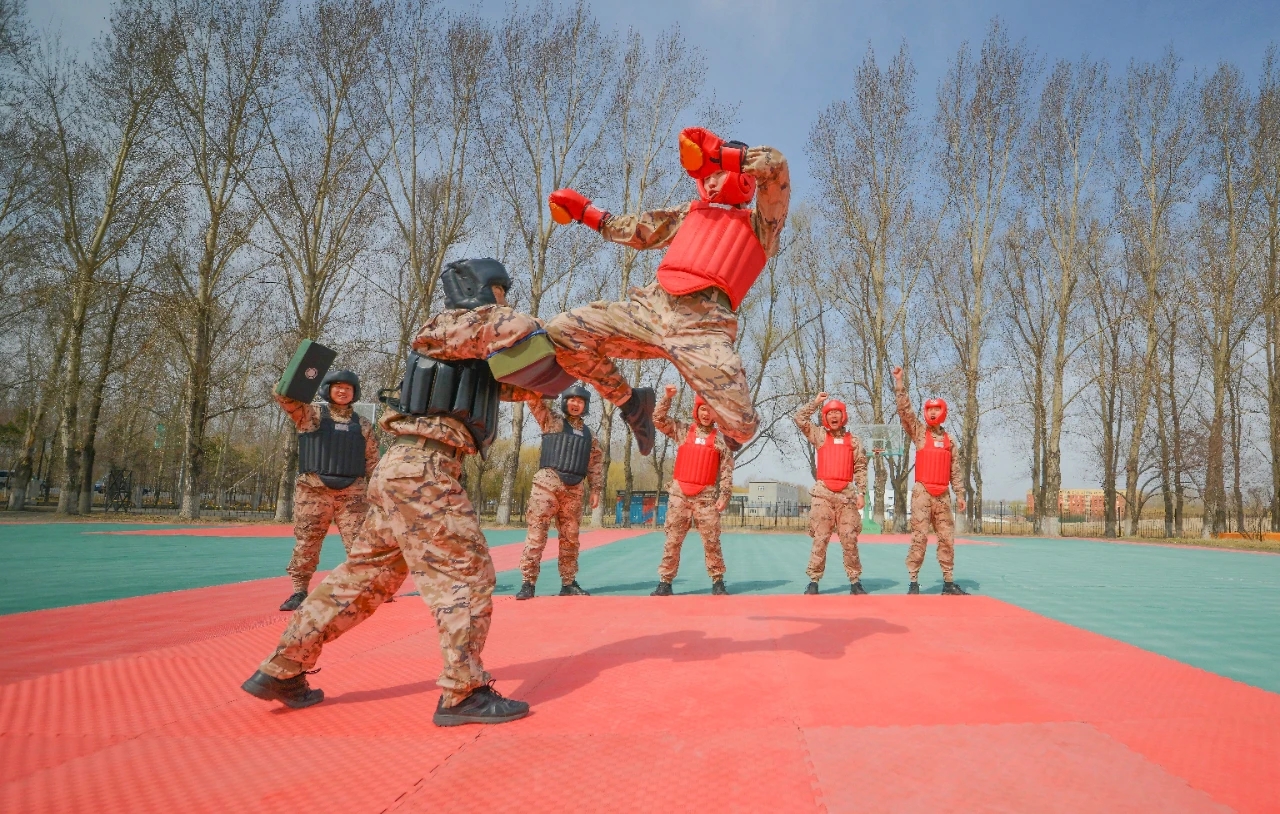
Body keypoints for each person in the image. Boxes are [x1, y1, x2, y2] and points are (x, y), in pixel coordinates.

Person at [242, 258, 552, 726]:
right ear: (485, 290)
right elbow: (519, 328)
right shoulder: (455, 325)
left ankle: (283, 667)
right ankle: (462, 692)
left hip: (407, 468)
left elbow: (514, 379)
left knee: (367, 576)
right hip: (425, 469)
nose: (506, 299)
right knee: (466, 575)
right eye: (501, 290)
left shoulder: (469, 348)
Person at [545, 126, 790, 456]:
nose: (712, 182)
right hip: (651, 309)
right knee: (562, 331)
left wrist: (722, 155)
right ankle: (632, 404)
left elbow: (775, 169)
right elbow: (643, 230)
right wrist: (589, 215)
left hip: (703, 329)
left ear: (742, 177)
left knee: (742, 427)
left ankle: (714, 445)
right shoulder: (691, 213)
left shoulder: (763, 226)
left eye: (720, 175)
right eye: (708, 176)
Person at [274, 368, 379, 611]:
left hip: (352, 493)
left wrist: (380, 494)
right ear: (328, 389)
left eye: (348, 388)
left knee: (360, 544)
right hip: (314, 491)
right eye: (337, 386)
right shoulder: (311, 415)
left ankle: (362, 589)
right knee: (307, 542)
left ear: (354, 393)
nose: (342, 391)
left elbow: (372, 462)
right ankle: (299, 591)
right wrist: (292, 379)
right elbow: (285, 398)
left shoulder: (363, 424)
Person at [515, 384, 603, 599]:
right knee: (537, 534)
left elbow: (595, 464)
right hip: (547, 485)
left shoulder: (590, 435)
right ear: (565, 402)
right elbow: (533, 399)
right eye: (572, 400)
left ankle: (568, 582)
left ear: (586, 405)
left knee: (570, 538)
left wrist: (596, 490)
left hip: (574, 489)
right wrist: (541, 378)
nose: (575, 404)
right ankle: (528, 583)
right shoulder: (551, 420)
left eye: (580, 401)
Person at [650, 385, 734, 596]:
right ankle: (665, 582)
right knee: (672, 540)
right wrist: (667, 397)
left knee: (711, 540)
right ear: (696, 410)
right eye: (703, 409)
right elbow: (658, 420)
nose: (706, 414)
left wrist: (724, 495)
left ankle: (717, 581)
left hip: (705, 498)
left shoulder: (719, 440)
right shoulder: (682, 430)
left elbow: (726, 470)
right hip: (679, 495)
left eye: (711, 410)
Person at [892, 366, 968, 595]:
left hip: (943, 494)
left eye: (937, 409)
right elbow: (905, 412)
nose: (933, 413)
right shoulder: (919, 433)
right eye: (930, 409)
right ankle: (913, 582)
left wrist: (960, 494)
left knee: (946, 538)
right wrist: (899, 384)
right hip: (922, 492)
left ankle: (948, 582)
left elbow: (955, 470)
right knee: (920, 537)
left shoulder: (950, 440)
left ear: (943, 412)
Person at [795, 393, 869, 595]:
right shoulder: (820, 436)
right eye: (830, 413)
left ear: (843, 416)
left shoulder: (853, 441)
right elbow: (799, 419)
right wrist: (816, 403)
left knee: (849, 538)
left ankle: (855, 581)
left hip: (846, 496)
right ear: (825, 417)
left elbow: (861, 467)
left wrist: (861, 492)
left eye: (837, 413)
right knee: (820, 538)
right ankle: (814, 581)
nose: (834, 416)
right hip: (823, 495)